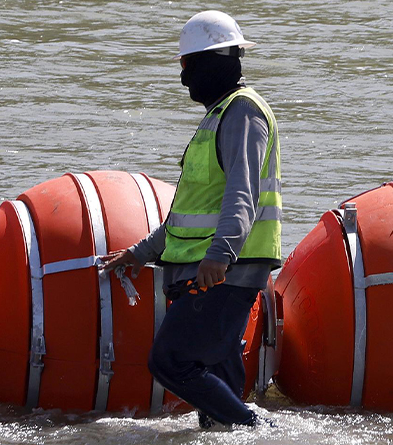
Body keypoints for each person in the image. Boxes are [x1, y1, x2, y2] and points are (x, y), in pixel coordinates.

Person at [101, 10, 281, 428]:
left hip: (224, 270)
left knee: (171, 360)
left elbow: (243, 190)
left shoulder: (243, 112)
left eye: (189, 65)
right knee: (215, 384)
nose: (184, 79)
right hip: (202, 267)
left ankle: (262, 432)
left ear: (216, 62)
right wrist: (139, 253)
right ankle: (236, 432)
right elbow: (188, 214)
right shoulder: (217, 116)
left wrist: (221, 255)